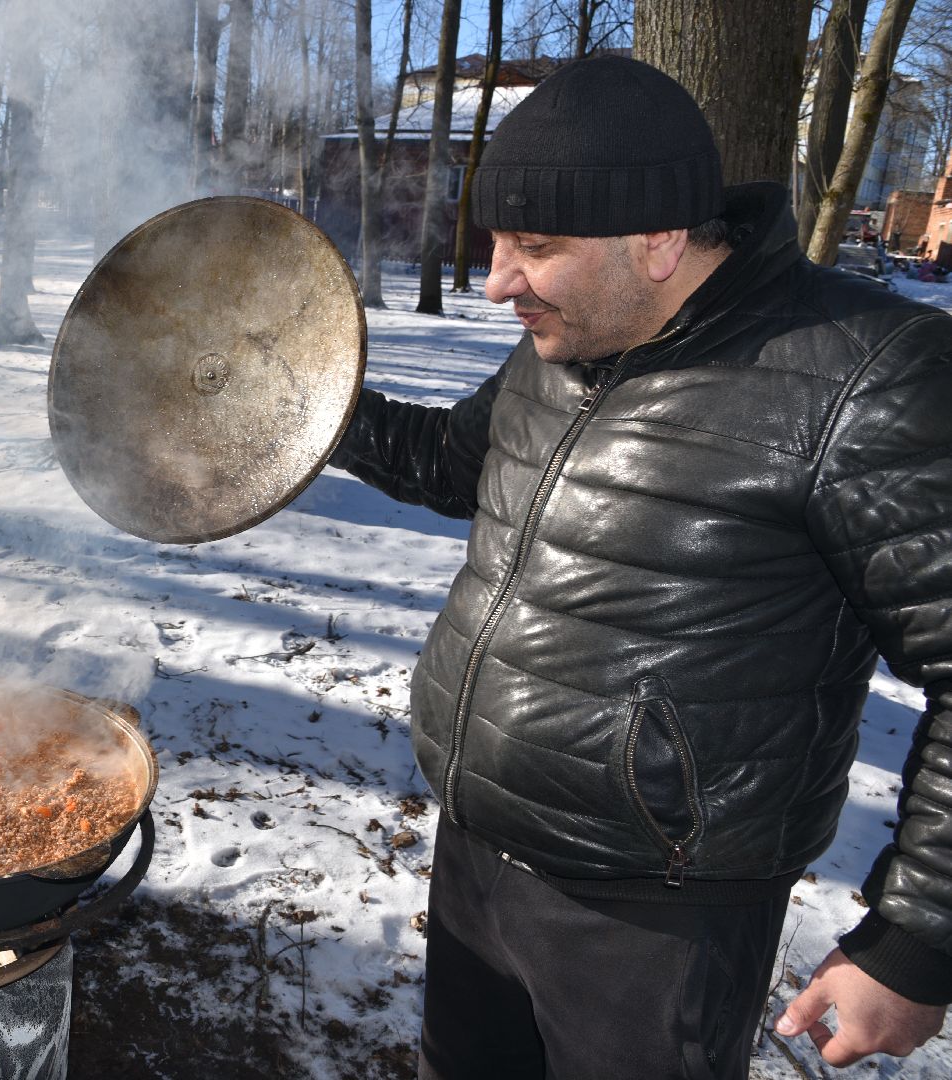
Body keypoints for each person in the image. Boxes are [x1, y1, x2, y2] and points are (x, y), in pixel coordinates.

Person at [326, 56, 951, 1078]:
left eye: (534, 246)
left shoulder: (862, 378)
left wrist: (916, 942)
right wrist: (307, 408)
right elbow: (456, 464)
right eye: (494, 242)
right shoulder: (563, 337)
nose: (496, 281)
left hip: (652, 923)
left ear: (657, 241)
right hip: (479, 853)